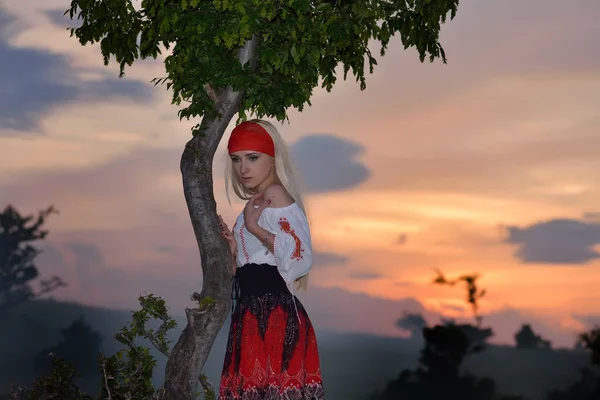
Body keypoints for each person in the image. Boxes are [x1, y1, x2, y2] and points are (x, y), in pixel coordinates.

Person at [217, 119, 325, 399]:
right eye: (236, 159)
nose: (243, 168)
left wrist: (254, 229)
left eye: (253, 158)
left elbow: (300, 256)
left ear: (272, 157)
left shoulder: (274, 195)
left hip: (273, 316)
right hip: (252, 315)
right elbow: (252, 267)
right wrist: (233, 252)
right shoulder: (255, 201)